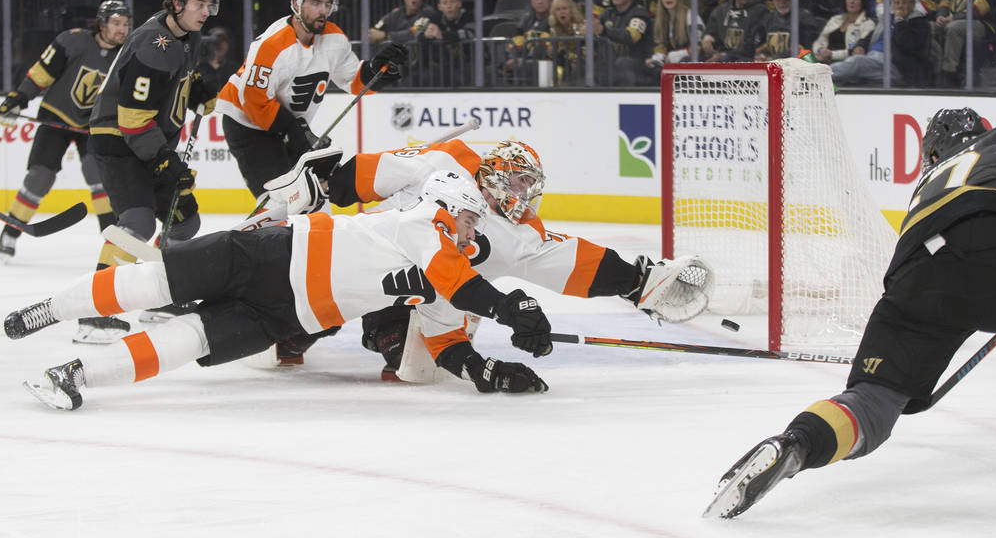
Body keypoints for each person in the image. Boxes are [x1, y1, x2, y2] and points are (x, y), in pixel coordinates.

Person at [703, 108, 996, 519]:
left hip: (911, 278)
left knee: (872, 404)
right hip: (991, 243)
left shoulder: (927, 186)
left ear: (932, 153)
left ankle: (796, 444)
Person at [6, 171, 555, 410]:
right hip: (265, 258)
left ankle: (75, 376)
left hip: (286, 315)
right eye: (470, 218)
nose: (472, 230)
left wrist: (491, 373)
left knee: (190, 339)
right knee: (153, 282)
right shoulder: (419, 222)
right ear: (446, 204)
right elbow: (459, 279)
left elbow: (446, 343)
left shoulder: (445, 271)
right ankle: (47, 309)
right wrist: (511, 306)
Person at [265, 139, 712, 370]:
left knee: (410, 361)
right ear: (497, 173)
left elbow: (574, 261)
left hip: (425, 293)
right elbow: (372, 172)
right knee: (315, 312)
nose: (525, 195)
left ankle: (383, 332)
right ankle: (295, 328)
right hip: (366, 258)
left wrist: (634, 281)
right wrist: (323, 187)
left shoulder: (522, 233)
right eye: (519, 183)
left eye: (530, 187)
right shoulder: (446, 160)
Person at [83, 0, 221, 343]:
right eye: (198, 3)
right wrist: (163, 160)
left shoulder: (180, 35)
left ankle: (161, 299)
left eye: (210, 4)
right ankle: (95, 313)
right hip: (119, 141)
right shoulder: (153, 43)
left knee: (184, 220)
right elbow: (131, 120)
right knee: (138, 221)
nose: (205, 11)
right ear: (176, 2)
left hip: (145, 139)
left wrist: (194, 88)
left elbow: (169, 81)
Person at [218, 0, 408, 199]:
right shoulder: (271, 45)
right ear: (296, 3)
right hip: (248, 125)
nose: (323, 11)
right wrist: (294, 130)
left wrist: (378, 69)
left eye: (327, 4)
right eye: (315, 2)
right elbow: (252, 100)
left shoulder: (334, 39)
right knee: (280, 203)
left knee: (315, 196)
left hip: (289, 126)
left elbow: (354, 82)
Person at [0, 0, 131, 263]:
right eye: (116, 23)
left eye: (125, 24)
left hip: (93, 125)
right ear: (101, 24)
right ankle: (10, 232)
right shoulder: (73, 41)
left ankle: (112, 240)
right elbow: (41, 74)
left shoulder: (125, 56)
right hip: (57, 115)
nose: (122, 30)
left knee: (100, 178)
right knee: (40, 177)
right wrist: (18, 98)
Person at [829, 0, 930, 86]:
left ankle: (820, 76)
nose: (900, 6)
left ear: (912, 4)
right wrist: (861, 46)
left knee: (857, 62)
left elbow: (908, 45)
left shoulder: (919, 23)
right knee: (847, 77)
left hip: (895, 66)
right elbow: (870, 37)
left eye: (904, 2)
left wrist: (899, 22)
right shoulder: (887, 19)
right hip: (872, 59)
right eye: (897, 2)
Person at [593, 0, 654, 86]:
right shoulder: (607, 14)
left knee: (623, 63)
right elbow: (596, 31)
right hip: (612, 64)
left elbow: (631, 36)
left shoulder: (639, 13)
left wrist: (604, 31)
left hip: (638, 64)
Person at [701, 0, 770, 63]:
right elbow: (710, 31)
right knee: (687, 60)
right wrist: (707, 37)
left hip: (746, 59)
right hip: (721, 57)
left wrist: (723, 55)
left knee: (727, 59)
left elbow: (753, 44)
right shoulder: (721, 10)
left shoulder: (761, 11)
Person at [417, 0, 475, 86]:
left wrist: (442, 35)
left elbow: (470, 33)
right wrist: (426, 35)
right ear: (440, 7)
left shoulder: (470, 15)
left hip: (467, 64)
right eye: (445, 3)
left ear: (459, 4)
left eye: (452, 2)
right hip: (442, 66)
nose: (449, 6)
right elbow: (418, 33)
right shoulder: (435, 17)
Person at [811, 0, 876, 64]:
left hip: (846, 63)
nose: (852, 2)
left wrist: (831, 54)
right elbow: (819, 41)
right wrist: (821, 50)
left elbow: (856, 51)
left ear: (863, 2)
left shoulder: (868, 24)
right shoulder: (835, 19)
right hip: (823, 58)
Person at [367, 0, 434, 50]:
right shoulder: (395, 13)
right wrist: (370, 35)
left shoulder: (428, 12)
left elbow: (413, 33)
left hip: (420, 60)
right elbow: (376, 29)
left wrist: (385, 36)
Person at [646, 0, 693, 79]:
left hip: (688, 61)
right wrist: (656, 59)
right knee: (652, 69)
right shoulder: (660, 20)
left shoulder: (690, 15)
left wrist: (673, 56)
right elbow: (660, 45)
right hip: (669, 62)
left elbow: (698, 47)